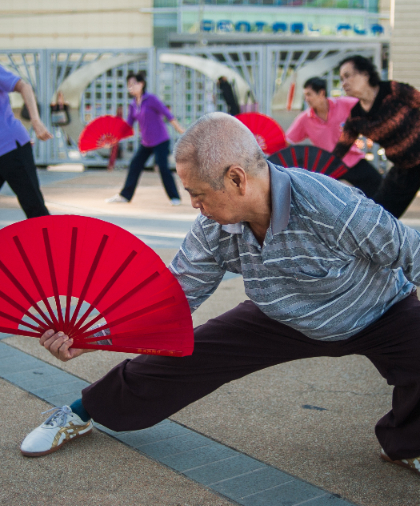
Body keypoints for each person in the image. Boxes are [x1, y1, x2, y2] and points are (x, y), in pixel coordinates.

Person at [20, 113, 420, 477]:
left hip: (376, 310)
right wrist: (93, 339)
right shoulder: (211, 227)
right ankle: (80, 412)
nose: (194, 205)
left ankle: (405, 444)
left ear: (236, 179)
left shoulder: (332, 204)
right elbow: (172, 298)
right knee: (181, 355)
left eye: (198, 194)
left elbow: (410, 250)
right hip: (279, 317)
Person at [333, 55, 420, 218]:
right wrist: (313, 176)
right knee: (379, 217)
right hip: (404, 169)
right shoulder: (356, 117)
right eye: (341, 79)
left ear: (365, 74)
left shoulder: (393, 90)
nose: (344, 83)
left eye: (347, 76)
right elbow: (338, 153)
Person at [286, 76, 382, 199]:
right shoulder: (304, 119)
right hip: (328, 168)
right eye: (305, 95)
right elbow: (287, 141)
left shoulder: (343, 104)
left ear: (321, 93)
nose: (306, 99)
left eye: (309, 94)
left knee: (380, 187)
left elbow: (366, 105)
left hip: (352, 160)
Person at [106, 71, 185, 206]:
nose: (130, 87)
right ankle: (125, 195)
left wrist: (181, 131)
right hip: (146, 143)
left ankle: (175, 197)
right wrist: (114, 138)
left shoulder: (151, 99)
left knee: (162, 167)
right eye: (128, 85)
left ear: (141, 84)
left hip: (161, 140)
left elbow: (167, 114)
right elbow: (128, 125)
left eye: (133, 84)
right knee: (135, 165)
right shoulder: (133, 105)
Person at [0, 65, 52, 218]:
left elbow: (24, 86)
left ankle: (56, 242)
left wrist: (35, 121)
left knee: (35, 209)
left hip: (11, 149)